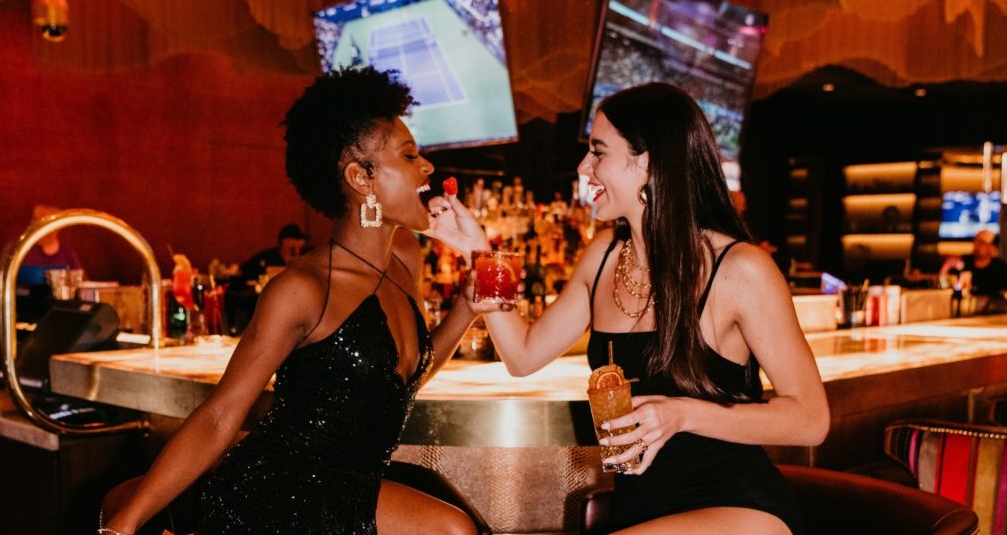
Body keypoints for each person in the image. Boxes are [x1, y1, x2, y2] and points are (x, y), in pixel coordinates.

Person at [429, 83, 829, 534]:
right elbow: (521, 356)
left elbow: (811, 420)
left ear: (648, 162)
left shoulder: (739, 268)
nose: (583, 168)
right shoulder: (603, 256)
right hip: (638, 510)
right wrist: (479, 252)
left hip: (737, 506)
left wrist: (682, 413)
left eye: (598, 152)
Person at [101, 67, 482, 535]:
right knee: (452, 530)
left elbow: (404, 379)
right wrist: (124, 525)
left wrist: (467, 306)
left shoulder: (406, 256)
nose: (426, 167)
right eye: (409, 156)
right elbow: (220, 415)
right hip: (277, 491)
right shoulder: (301, 289)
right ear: (361, 178)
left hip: (353, 485)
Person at [0, 204, 83, 284]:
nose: (47, 230)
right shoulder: (16, 248)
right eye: (41, 223)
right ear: (33, 223)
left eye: (51, 224)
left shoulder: (67, 251)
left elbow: (81, 281)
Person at [941, 229, 1007, 299]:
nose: (976, 245)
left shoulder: (1000, 268)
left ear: (992, 247)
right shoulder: (963, 262)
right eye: (976, 240)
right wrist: (947, 266)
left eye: (981, 242)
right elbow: (944, 283)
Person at [239, 223, 308, 282]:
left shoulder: (306, 257)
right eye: (295, 240)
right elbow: (245, 270)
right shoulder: (268, 257)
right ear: (285, 242)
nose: (299, 244)